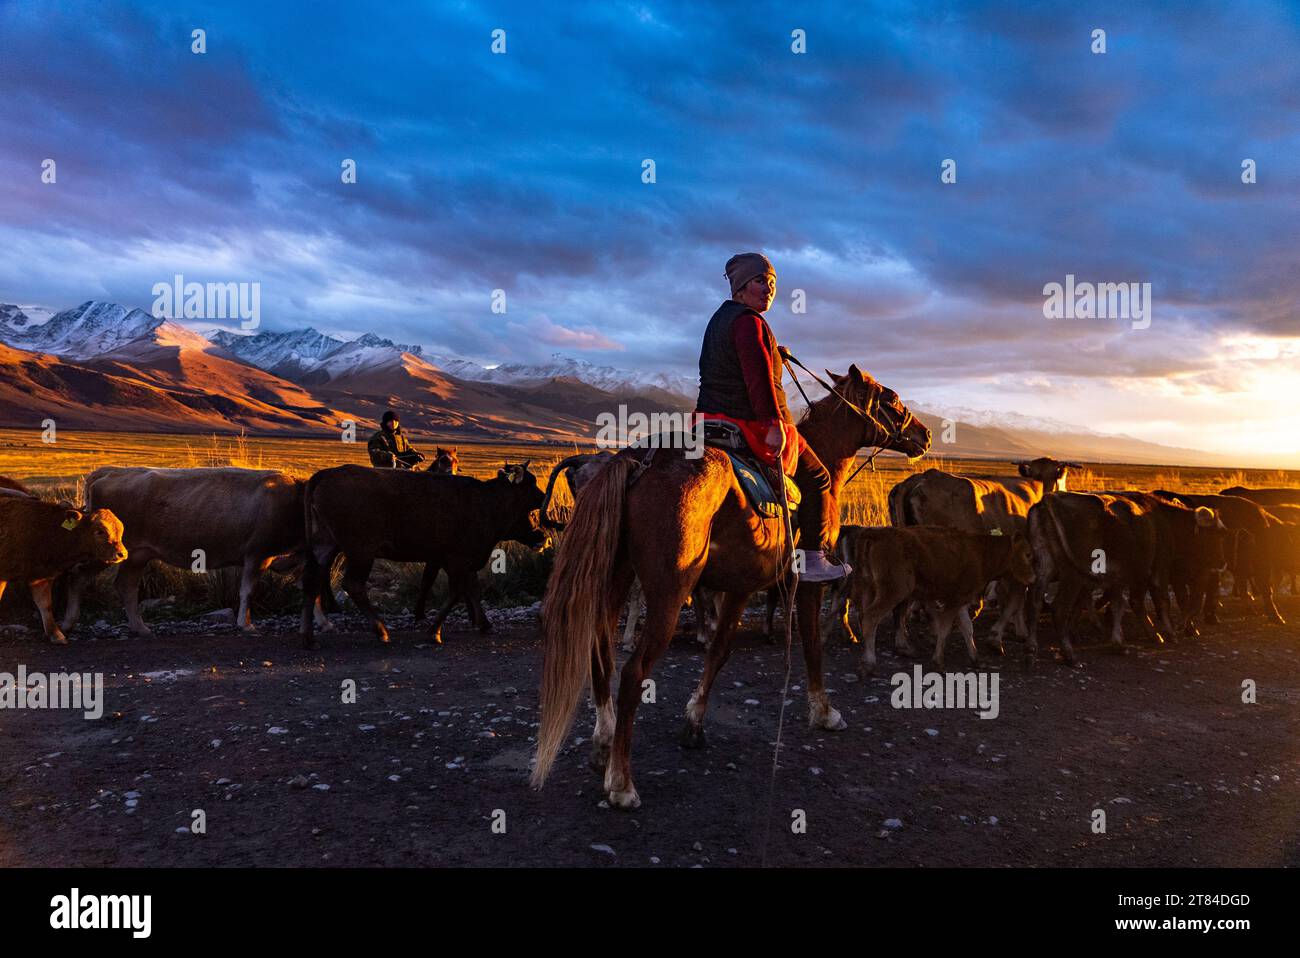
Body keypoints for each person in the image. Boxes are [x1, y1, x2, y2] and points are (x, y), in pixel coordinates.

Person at [694, 252, 849, 583]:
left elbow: (731, 363)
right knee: (819, 477)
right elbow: (758, 380)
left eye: (773, 283)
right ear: (741, 287)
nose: (769, 289)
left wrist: (773, 350)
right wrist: (774, 423)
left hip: (708, 420)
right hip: (747, 422)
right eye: (760, 281)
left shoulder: (721, 320)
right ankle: (811, 561)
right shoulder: (750, 323)